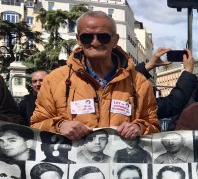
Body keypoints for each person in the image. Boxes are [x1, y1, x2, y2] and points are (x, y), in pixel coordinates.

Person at [31, 10, 159, 140]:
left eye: (103, 37)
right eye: (87, 37)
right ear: (78, 40)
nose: (95, 42)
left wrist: (139, 128)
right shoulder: (54, 80)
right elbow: (36, 125)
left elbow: (153, 126)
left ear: (115, 40)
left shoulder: (139, 83)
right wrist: (60, 126)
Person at [135, 47, 197, 120]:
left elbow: (129, 81)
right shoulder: (140, 105)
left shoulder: (125, 92)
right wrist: (188, 72)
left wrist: (149, 65)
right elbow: (173, 103)